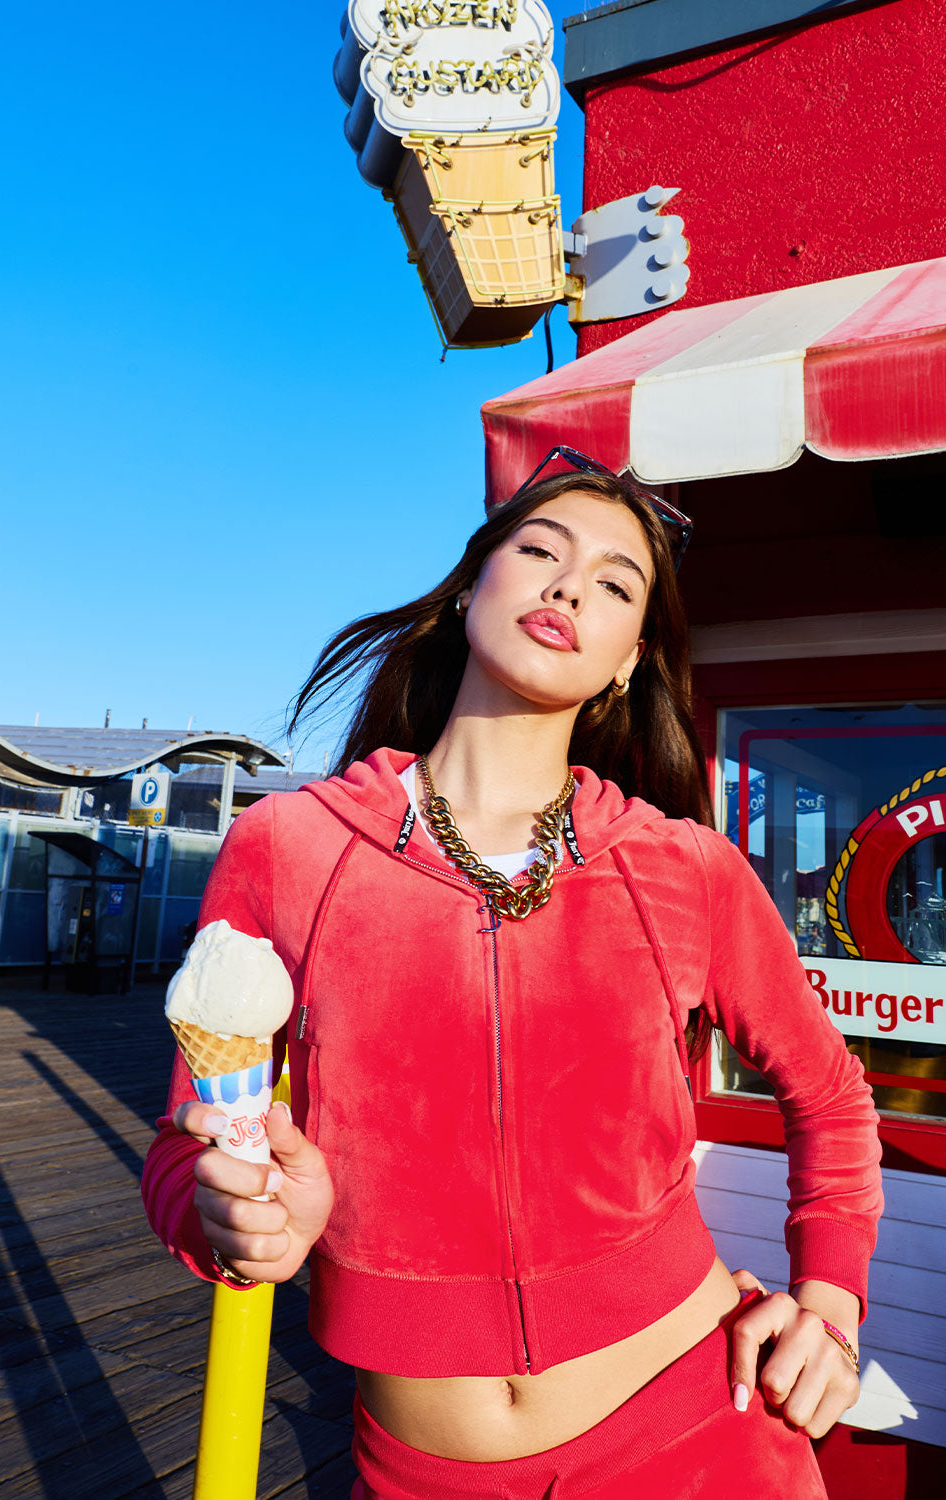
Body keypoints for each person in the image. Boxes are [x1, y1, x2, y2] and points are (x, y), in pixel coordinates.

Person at [142, 453, 883, 1499]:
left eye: (617, 584)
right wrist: (231, 1218)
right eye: (540, 551)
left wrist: (834, 1304)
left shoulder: (685, 869)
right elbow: (188, 1146)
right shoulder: (290, 846)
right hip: (422, 1470)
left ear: (629, 659)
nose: (572, 585)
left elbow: (835, 1097)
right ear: (465, 593)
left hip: (700, 1430)